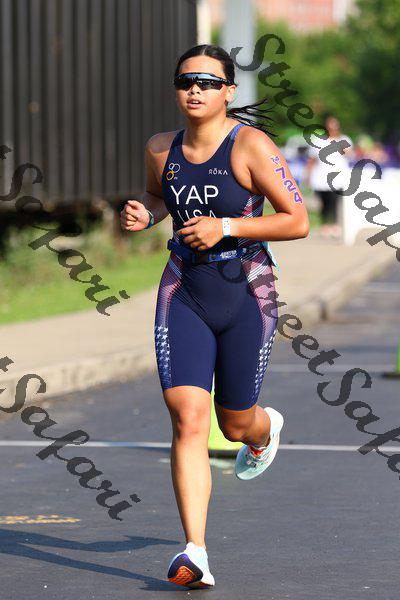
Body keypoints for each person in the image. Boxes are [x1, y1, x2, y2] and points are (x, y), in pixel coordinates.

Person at [120, 44, 309, 589]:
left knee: (235, 423)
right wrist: (146, 211)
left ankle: (264, 429)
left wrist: (225, 227)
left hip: (247, 289)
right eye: (186, 81)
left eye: (207, 81)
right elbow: (160, 196)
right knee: (187, 418)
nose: (195, 90)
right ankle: (195, 552)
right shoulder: (161, 147)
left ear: (229, 91)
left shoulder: (250, 146)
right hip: (184, 287)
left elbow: (296, 220)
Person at [306, 115, 352, 239]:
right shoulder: (318, 141)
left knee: (335, 201)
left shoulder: (343, 139)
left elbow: (348, 153)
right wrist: (308, 176)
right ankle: (325, 225)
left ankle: (335, 225)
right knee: (324, 202)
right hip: (321, 177)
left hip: (338, 177)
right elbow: (311, 160)